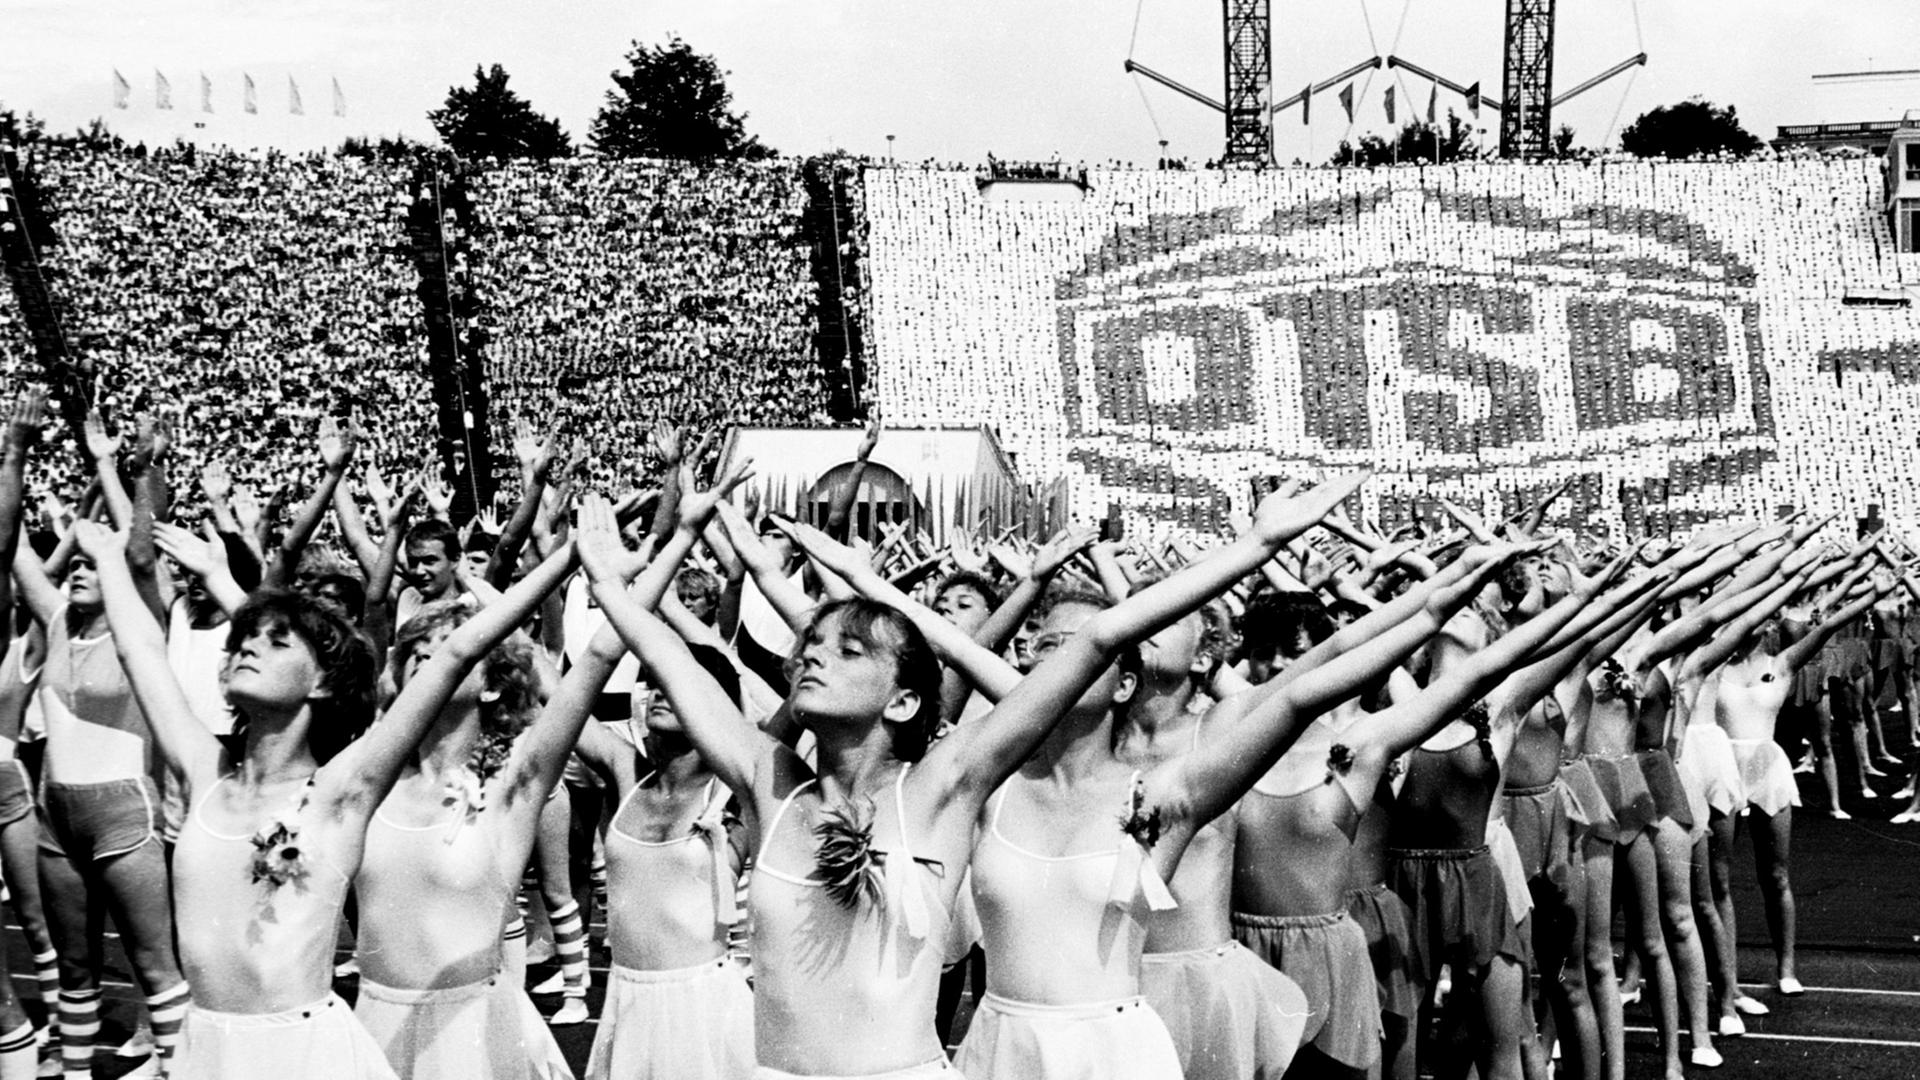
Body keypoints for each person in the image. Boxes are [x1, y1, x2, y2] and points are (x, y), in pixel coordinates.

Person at [585, 475, 1359, 1079]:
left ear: (906, 699)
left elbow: (1094, 640)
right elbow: (669, 658)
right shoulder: (768, 781)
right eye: (811, 644)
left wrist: (1253, 548)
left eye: (850, 650)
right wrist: (616, 585)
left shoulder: (944, 784)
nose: (814, 654)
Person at [17, 412, 189, 1079]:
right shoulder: (57, 621)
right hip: (54, 814)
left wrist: (132, 469)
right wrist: (17, 453)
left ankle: (180, 1070)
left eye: (95, 563)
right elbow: (14, 553)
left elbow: (142, 553)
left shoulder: (138, 623)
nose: (82, 571)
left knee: (153, 963)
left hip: (124, 812)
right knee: (74, 967)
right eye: (77, 564)